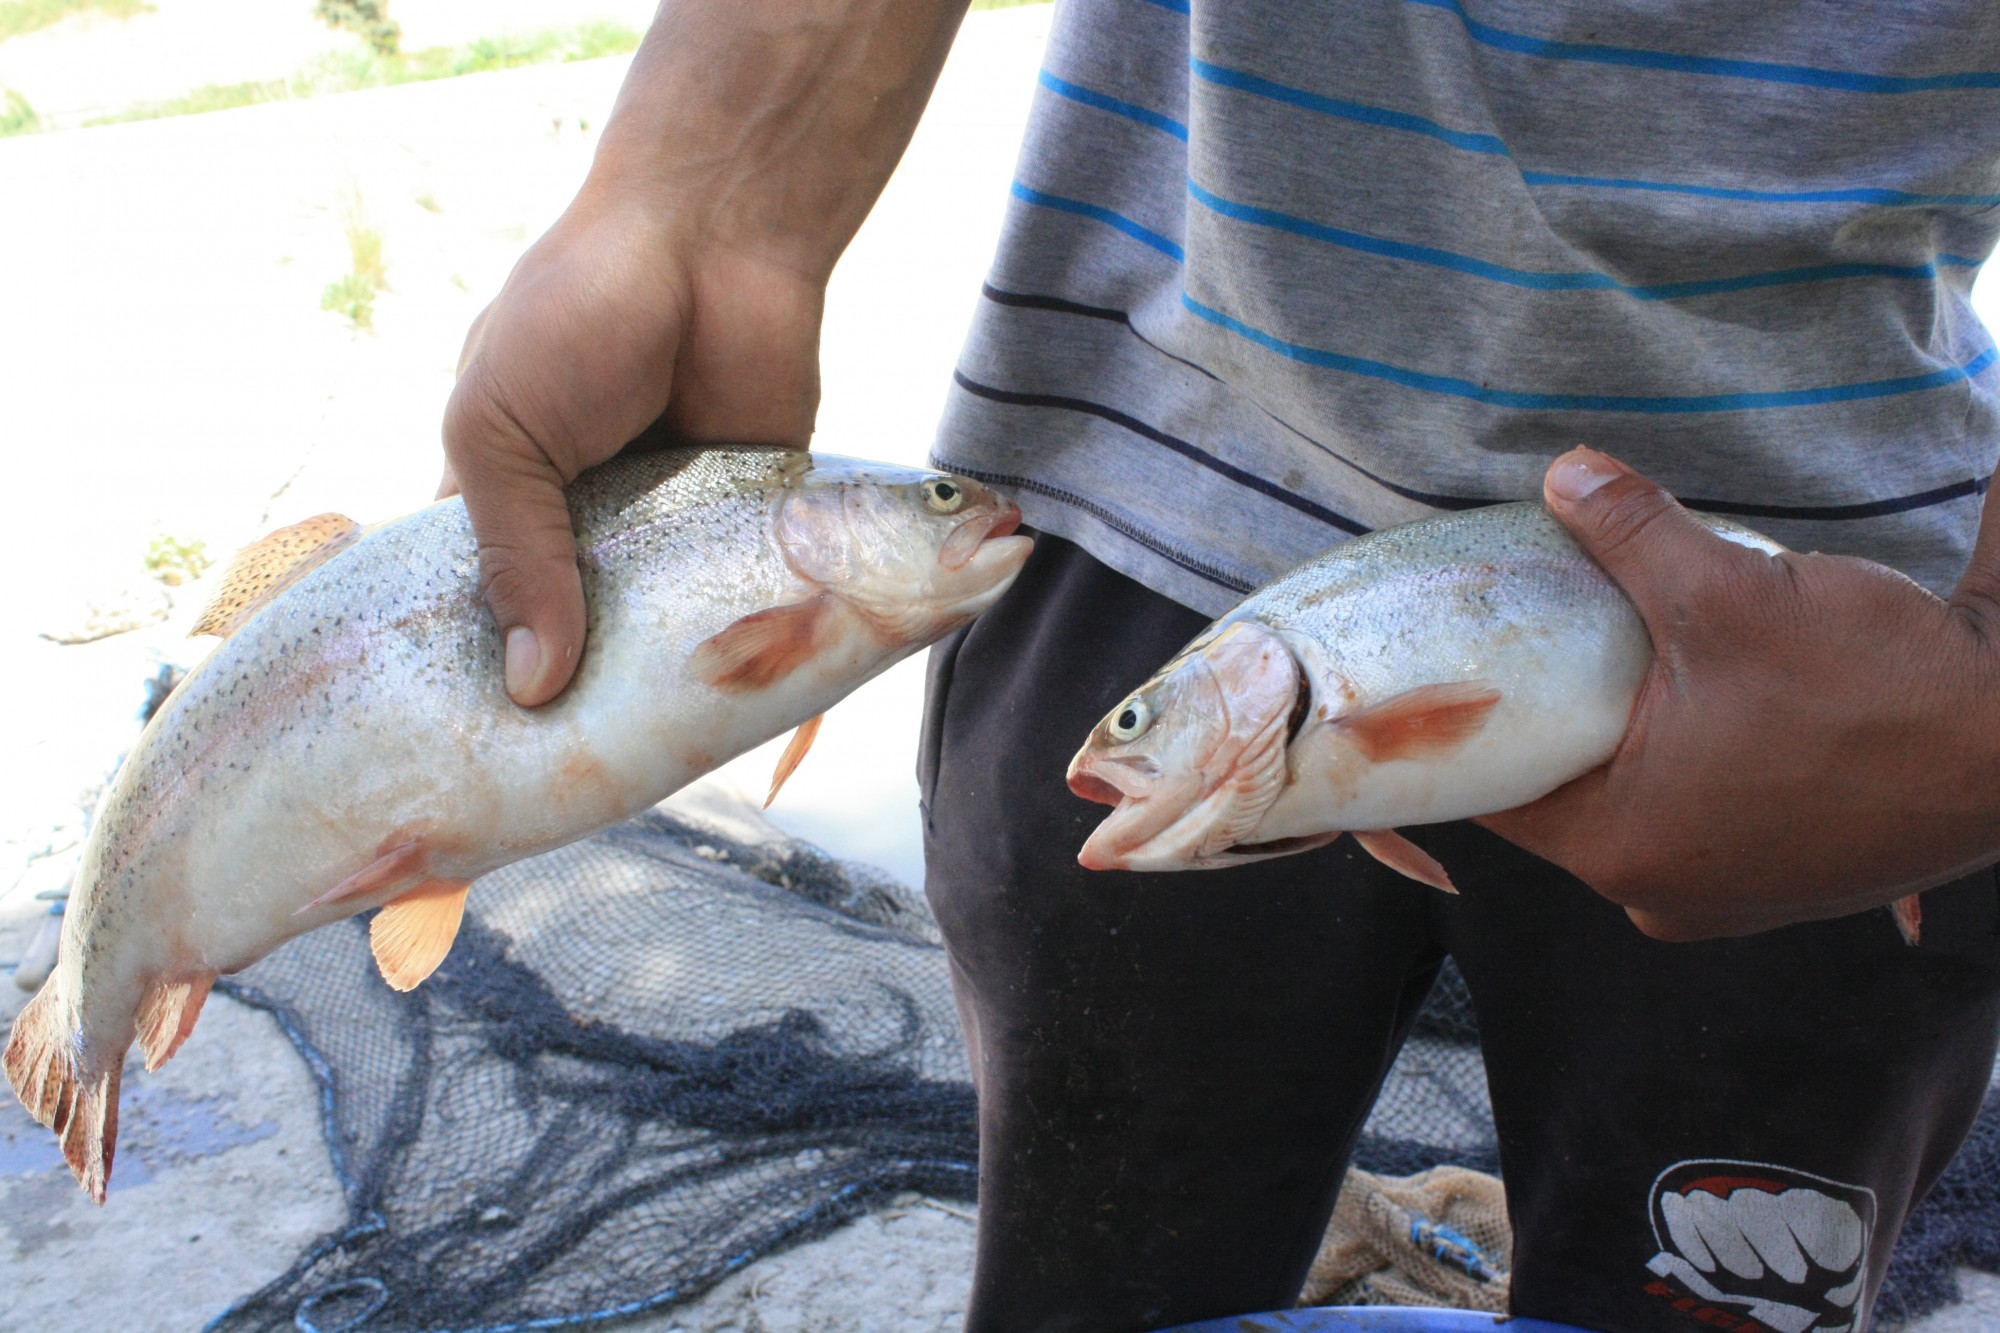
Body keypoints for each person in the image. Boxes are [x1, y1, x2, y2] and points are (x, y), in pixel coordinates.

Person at [437, 2, 2000, 1329]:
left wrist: (1986, 695)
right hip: (1135, 491)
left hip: (1832, 644)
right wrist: (699, 204)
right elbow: (707, 196)